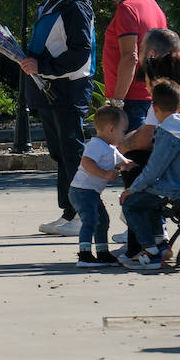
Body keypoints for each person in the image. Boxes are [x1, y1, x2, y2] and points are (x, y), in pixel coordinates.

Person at [18, 0, 96, 237]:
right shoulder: (51, 5)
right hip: (49, 90)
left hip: (68, 89)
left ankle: (82, 214)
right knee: (60, 153)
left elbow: (80, 53)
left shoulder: (75, 7)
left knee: (72, 151)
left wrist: (44, 67)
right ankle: (69, 212)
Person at [118, 80, 180, 271]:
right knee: (149, 199)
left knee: (130, 203)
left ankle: (151, 251)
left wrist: (132, 189)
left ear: (154, 107)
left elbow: (154, 169)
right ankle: (160, 246)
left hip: (177, 189)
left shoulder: (167, 131)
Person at [102, 0, 167, 130]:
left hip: (131, 100)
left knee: (129, 154)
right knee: (143, 153)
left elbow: (130, 57)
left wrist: (116, 103)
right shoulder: (154, 6)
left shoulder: (127, 8)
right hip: (150, 96)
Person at [68, 104, 129, 269]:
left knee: (102, 221)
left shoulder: (110, 148)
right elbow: (86, 162)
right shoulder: (96, 144)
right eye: (123, 131)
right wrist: (105, 174)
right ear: (110, 129)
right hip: (81, 191)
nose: (123, 136)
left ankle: (102, 253)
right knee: (91, 220)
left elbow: (123, 162)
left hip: (92, 192)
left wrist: (131, 166)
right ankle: (84, 254)